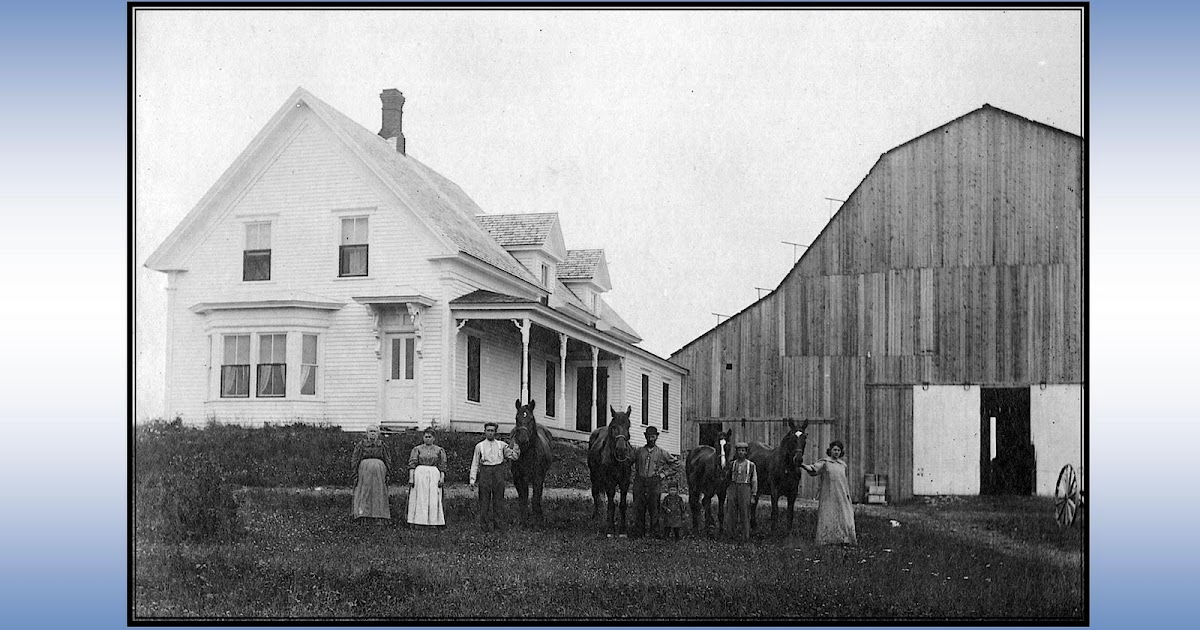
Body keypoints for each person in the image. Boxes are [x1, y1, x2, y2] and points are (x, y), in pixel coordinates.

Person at [801, 440, 858, 546]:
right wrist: (802, 465)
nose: (837, 452)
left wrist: (847, 495)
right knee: (829, 515)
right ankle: (827, 540)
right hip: (829, 495)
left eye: (839, 450)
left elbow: (844, 481)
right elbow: (813, 469)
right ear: (830, 451)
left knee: (845, 516)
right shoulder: (825, 463)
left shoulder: (843, 465)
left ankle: (844, 539)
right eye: (835, 450)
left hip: (842, 495)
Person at [469, 422, 520, 532]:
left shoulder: (501, 445)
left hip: (498, 473)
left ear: (495, 432)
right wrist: (472, 480)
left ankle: (498, 527)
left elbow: (513, 456)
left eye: (492, 430)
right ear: (485, 431)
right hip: (485, 472)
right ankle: (484, 528)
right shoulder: (479, 446)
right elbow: (475, 463)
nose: (490, 433)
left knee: (498, 501)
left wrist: (516, 445)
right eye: (488, 430)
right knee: (484, 501)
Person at [631, 426, 680, 538]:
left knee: (654, 508)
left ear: (656, 437)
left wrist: (664, 474)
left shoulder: (661, 452)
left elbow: (676, 464)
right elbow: (629, 460)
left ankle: (655, 533)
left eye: (653, 436)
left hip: (654, 482)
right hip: (640, 481)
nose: (651, 439)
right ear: (645, 437)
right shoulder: (639, 451)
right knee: (639, 507)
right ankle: (639, 532)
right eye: (648, 436)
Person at [350, 425, 393, 522]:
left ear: (378, 434)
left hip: (379, 472)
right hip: (364, 471)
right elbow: (355, 459)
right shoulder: (361, 445)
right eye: (370, 431)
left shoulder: (382, 445)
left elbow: (387, 459)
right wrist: (355, 473)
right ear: (367, 433)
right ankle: (363, 515)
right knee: (365, 491)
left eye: (374, 431)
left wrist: (388, 473)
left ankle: (379, 515)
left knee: (378, 491)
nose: (372, 433)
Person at [406, 428, 447, 527]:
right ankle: (418, 522)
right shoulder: (417, 449)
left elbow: (442, 466)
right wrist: (411, 478)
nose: (428, 439)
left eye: (430, 437)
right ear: (423, 437)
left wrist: (442, 478)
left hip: (434, 474)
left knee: (433, 498)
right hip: (420, 474)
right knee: (420, 497)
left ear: (434, 438)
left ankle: (433, 522)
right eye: (426, 437)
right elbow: (412, 464)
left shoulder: (439, 450)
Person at [726, 441, 758, 542]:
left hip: (745, 488)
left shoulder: (751, 465)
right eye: (739, 450)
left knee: (744, 513)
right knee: (731, 512)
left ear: (746, 452)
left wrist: (753, 495)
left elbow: (754, 480)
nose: (741, 452)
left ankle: (745, 537)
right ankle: (731, 535)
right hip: (733, 487)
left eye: (743, 451)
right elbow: (727, 478)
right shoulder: (732, 464)